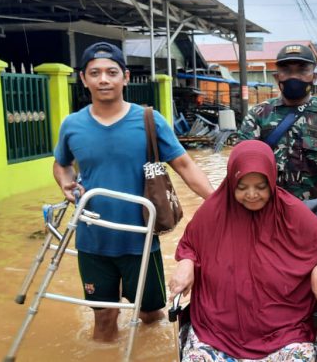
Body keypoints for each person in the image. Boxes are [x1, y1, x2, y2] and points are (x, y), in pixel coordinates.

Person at [52, 42, 214, 342]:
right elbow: (61, 165)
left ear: (125, 78)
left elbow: (186, 166)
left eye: (111, 72)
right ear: (84, 79)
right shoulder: (72, 125)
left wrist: (219, 203)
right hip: (92, 240)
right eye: (95, 73)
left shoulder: (149, 121)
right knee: (103, 320)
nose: (104, 79)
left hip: (142, 240)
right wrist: (66, 183)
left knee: (151, 316)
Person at [168, 140, 317, 361]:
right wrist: (186, 263)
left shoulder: (292, 212)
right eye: (242, 187)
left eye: (261, 187)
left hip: (284, 331)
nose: (252, 194)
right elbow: (189, 245)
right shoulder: (213, 211)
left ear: (272, 182)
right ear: (231, 183)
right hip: (216, 329)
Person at [236, 43, 317, 202]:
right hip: (266, 209)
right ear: (276, 77)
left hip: (312, 210)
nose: (294, 77)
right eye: (286, 70)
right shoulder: (259, 114)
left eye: (302, 70)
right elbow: (241, 157)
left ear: (314, 77)